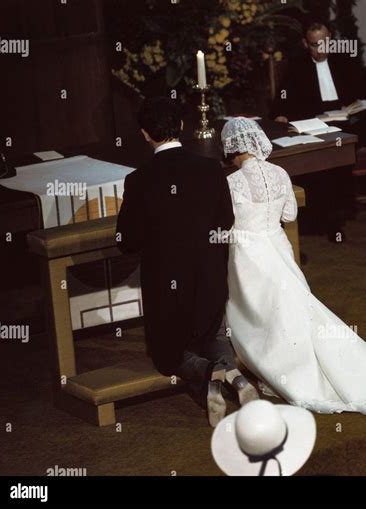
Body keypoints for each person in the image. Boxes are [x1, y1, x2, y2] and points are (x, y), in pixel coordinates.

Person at [221, 117, 366, 420]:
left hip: (248, 255)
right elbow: (289, 216)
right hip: (279, 250)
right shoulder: (280, 173)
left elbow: (225, 223)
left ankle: (272, 363)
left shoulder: (231, 183)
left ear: (231, 149)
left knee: (258, 312)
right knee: (294, 307)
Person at [116, 97, 258, 427]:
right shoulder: (210, 169)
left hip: (166, 290)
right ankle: (234, 376)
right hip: (209, 281)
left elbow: (127, 242)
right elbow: (226, 222)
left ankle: (212, 372)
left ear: (145, 134)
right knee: (212, 333)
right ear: (181, 127)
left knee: (167, 356)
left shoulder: (138, 180)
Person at [271, 18, 363, 243]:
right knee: (318, 162)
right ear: (305, 44)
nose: (321, 49)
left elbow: (361, 90)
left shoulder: (345, 60)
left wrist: (354, 108)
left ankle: (337, 216)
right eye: (314, 44)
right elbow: (283, 98)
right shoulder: (297, 66)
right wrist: (281, 114)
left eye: (325, 43)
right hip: (312, 124)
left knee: (340, 151)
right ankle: (319, 219)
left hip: (344, 121)